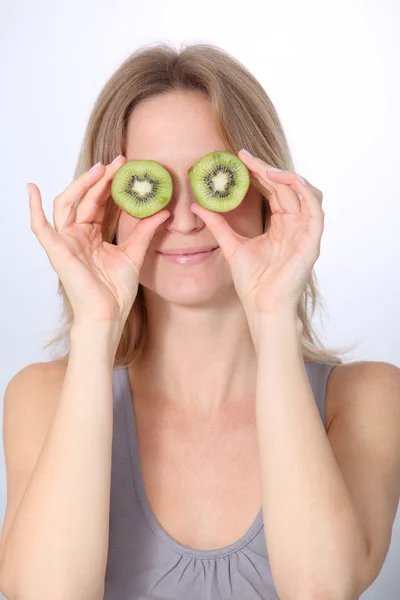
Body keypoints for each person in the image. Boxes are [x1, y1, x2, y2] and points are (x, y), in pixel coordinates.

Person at [1, 43, 399, 600]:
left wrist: (272, 313)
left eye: (215, 179)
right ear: (108, 206)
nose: (186, 218)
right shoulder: (41, 398)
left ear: (265, 192)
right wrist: (95, 325)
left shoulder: (367, 399)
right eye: (150, 185)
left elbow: (322, 589)